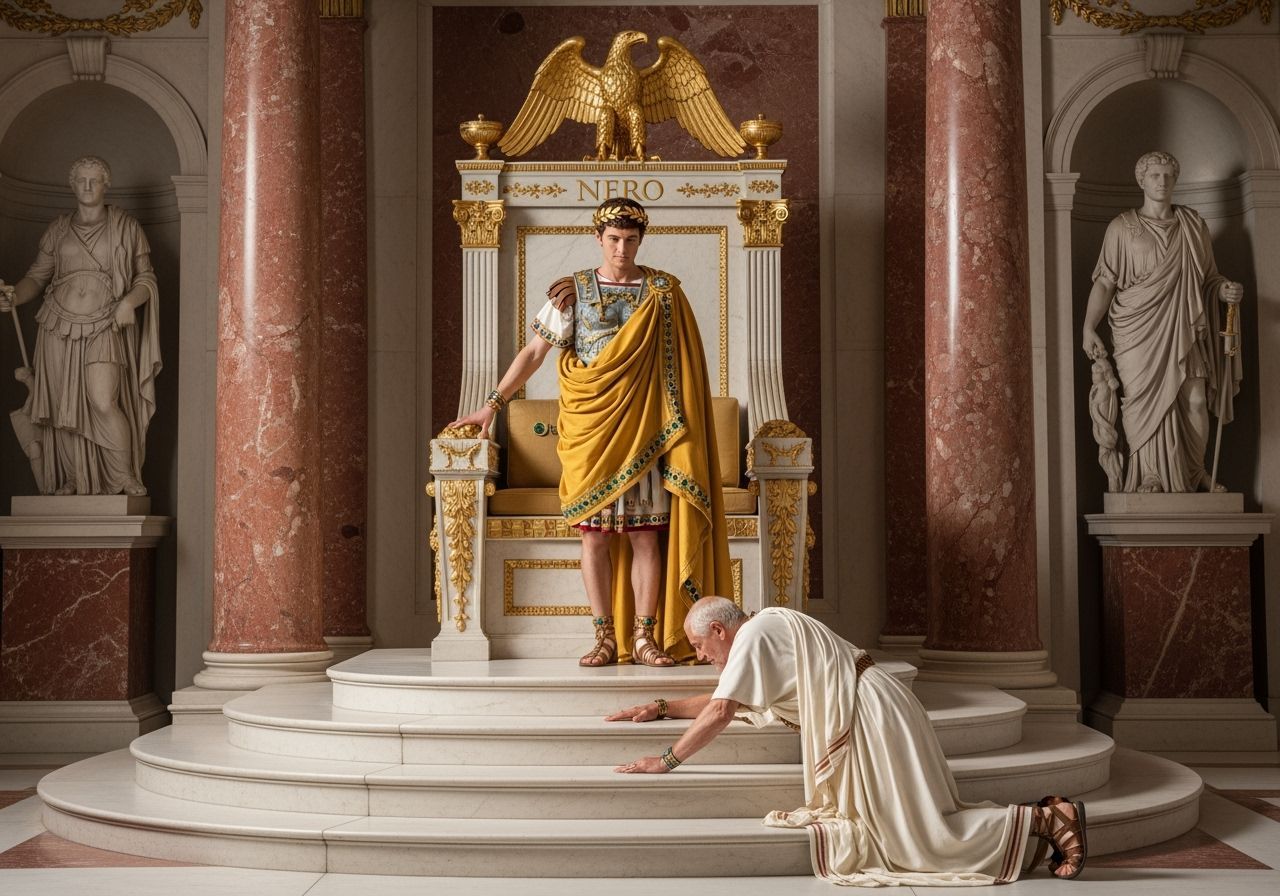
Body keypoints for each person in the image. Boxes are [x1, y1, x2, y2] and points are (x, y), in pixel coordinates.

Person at [609, 598, 1087, 885]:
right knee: (917, 825)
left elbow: (721, 709)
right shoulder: (762, 628)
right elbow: (723, 697)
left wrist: (667, 760)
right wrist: (664, 706)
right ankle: (1042, 819)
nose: (701, 655)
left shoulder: (753, 634)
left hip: (871, 715)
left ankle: (1048, 817)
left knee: (917, 838)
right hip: (877, 706)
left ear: (719, 628)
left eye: (698, 645)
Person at [450, 197, 732, 667]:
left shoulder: (663, 292)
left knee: (645, 536)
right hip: (590, 432)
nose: (622, 248)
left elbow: (684, 369)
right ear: (598, 239)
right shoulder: (574, 292)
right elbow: (534, 353)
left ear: (641, 241)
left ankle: (644, 639)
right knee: (594, 538)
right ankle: (603, 636)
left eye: (631, 240)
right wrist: (491, 405)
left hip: (645, 432)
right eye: (614, 239)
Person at [1081, 150, 1243, 493]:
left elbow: (1208, 279)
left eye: (1169, 176)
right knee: (1143, 400)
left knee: (1196, 400)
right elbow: (1106, 281)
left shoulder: (1193, 225)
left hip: (1185, 327)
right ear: (1141, 180)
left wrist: (1223, 290)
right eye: (1155, 175)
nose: (1162, 182)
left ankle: (1194, 472)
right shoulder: (1121, 228)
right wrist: (1088, 326)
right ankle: (1150, 474)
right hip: (1137, 331)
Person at [0, 155, 160, 497]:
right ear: (72, 185)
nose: (88, 186)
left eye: (95, 180)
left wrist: (129, 302)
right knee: (63, 408)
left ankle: (123, 476)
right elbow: (36, 277)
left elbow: (145, 278)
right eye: (81, 180)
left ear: (107, 184)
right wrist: (15, 296)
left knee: (103, 401)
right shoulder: (58, 229)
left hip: (106, 325)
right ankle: (74, 479)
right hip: (57, 326)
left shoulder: (126, 227)